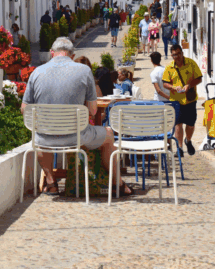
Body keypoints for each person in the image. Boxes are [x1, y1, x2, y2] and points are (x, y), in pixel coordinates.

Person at [22, 37, 135, 196]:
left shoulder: (36, 72)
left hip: (45, 138)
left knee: (40, 138)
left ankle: (51, 182)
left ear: (51, 53)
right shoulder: (84, 70)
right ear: (72, 56)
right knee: (109, 134)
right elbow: (93, 110)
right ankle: (118, 184)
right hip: (77, 137)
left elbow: (24, 109)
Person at [163, 44, 203, 155]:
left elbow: (199, 78)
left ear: (182, 53)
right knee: (178, 124)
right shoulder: (169, 67)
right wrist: (173, 87)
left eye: (179, 54)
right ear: (171, 55)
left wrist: (189, 85)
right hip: (176, 101)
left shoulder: (191, 63)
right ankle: (179, 148)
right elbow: (165, 83)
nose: (177, 56)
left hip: (190, 99)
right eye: (174, 55)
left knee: (190, 124)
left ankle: (188, 140)